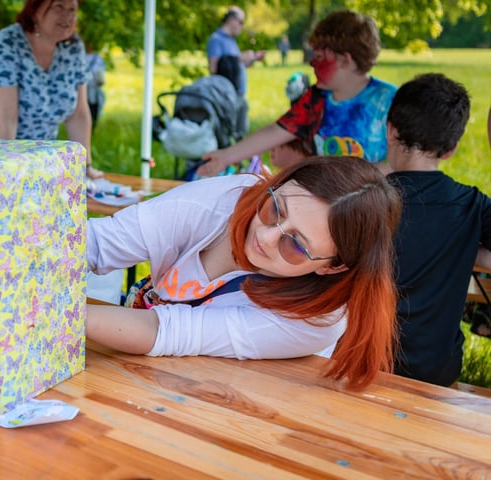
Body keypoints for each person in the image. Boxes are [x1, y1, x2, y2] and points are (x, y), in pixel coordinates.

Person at [85, 155, 402, 390]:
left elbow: (169, 332)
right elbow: (98, 243)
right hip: (155, 379)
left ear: (333, 265)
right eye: (275, 209)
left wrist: (53, 312)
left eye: (293, 244)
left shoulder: (320, 318)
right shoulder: (228, 199)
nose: (266, 237)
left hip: (234, 416)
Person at [385, 73, 491, 387]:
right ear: (451, 149)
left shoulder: (364, 202)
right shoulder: (472, 206)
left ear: (391, 131)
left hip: (365, 360)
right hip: (437, 370)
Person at [198, 10, 396, 177]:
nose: (311, 63)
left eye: (318, 57)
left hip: (372, 210)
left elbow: (407, 161)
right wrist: (226, 156)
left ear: (345, 60)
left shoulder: (390, 101)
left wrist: (363, 179)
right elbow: (277, 131)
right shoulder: (316, 98)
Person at [0, 0, 103, 179]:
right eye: (59, 7)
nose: (68, 16)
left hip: (36, 159)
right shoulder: (5, 45)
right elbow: (6, 120)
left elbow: (78, 114)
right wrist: (3, 174)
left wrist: (84, 167)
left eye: (72, 10)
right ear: (34, 10)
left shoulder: (73, 48)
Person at [206, 6, 265, 135]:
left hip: (238, 94)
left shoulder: (231, 41)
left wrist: (252, 58)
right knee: (229, 134)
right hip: (226, 97)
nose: (242, 27)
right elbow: (213, 69)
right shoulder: (216, 39)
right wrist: (238, 59)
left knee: (240, 134)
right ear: (232, 20)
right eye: (241, 22)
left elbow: (236, 66)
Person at [85, 45, 106, 131]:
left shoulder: (82, 56)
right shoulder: (97, 58)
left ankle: (91, 127)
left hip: (87, 88)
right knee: (92, 108)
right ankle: (92, 126)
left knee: (88, 107)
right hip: (93, 88)